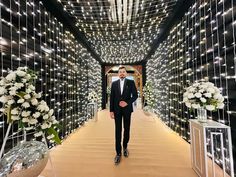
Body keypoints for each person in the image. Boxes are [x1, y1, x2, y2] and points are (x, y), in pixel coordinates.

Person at [109, 66, 138, 165]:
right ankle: (118, 153)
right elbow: (112, 97)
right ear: (118, 74)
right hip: (116, 111)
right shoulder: (114, 84)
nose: (121, 73)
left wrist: (127, 103)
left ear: (126, 73)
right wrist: (111, 110)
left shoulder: (130, 83)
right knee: (118, 130)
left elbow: (135, 96)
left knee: (127, 129)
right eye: (120, 72)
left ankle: (125, 147)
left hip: (127, 110)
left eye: (123, 72)